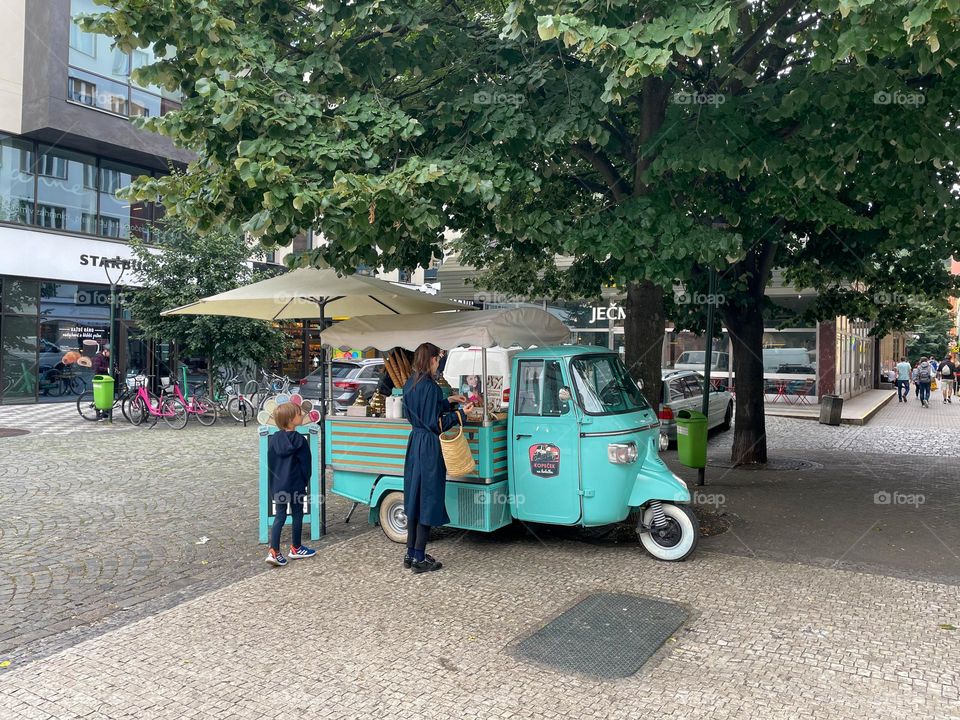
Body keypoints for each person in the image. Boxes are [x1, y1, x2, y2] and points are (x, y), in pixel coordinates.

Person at [401, 343, 472, 573]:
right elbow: (436, 423)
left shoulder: (409, 383)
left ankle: (410, 554)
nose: (439, 363)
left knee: (414, 498)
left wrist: (449, 401)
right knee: (428, 499)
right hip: (430, 446)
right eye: (438, 359)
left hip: (414, 443)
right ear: (431, 359)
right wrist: (461, 415)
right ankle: (420, 559)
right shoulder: (431, 387)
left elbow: (419, 413)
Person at [265, 403, 316, 566]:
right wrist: (304, 481)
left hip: (278, 485)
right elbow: (306, 465)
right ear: (290, 419)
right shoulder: (300, 440)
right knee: (297, 513)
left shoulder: (273, 440)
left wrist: (273, 485)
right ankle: (296, 547)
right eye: (299, 414)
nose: (302, 416)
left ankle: (274, 551)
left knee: (280, 516)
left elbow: (271, 465)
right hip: (295, 484)